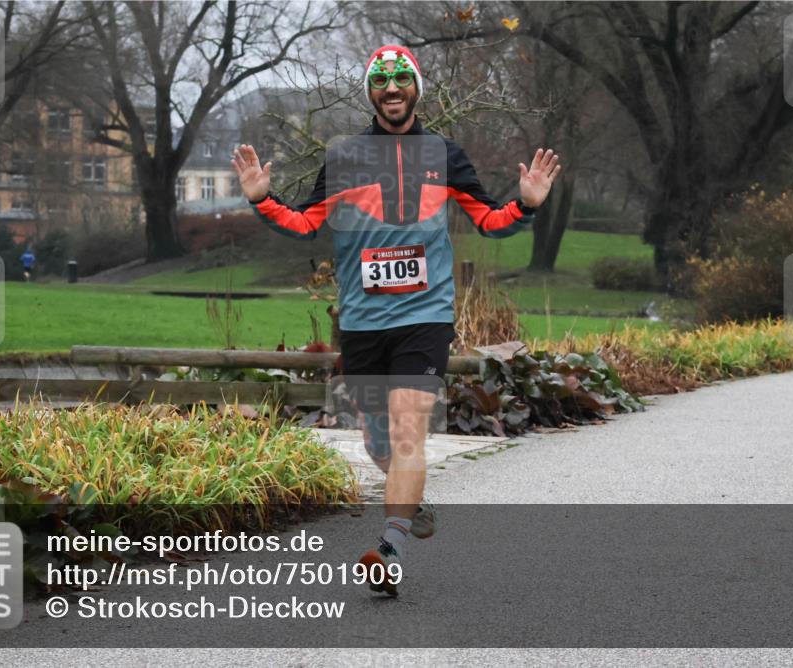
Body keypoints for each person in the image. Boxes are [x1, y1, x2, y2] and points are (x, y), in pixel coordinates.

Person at [231, 45, 560, 596]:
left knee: (410, 431)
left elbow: (490, 220)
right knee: (378, 443)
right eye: (381, 79)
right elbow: (305, 223)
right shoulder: (343, 156)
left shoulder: (445, 154)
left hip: (424, 314)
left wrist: (526, 205)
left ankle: (390, 545)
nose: (391, 87)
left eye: (401, 77)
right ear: (371, 92)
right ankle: (412, 503)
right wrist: (263, 199)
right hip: (361, 320)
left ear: (415, 88)